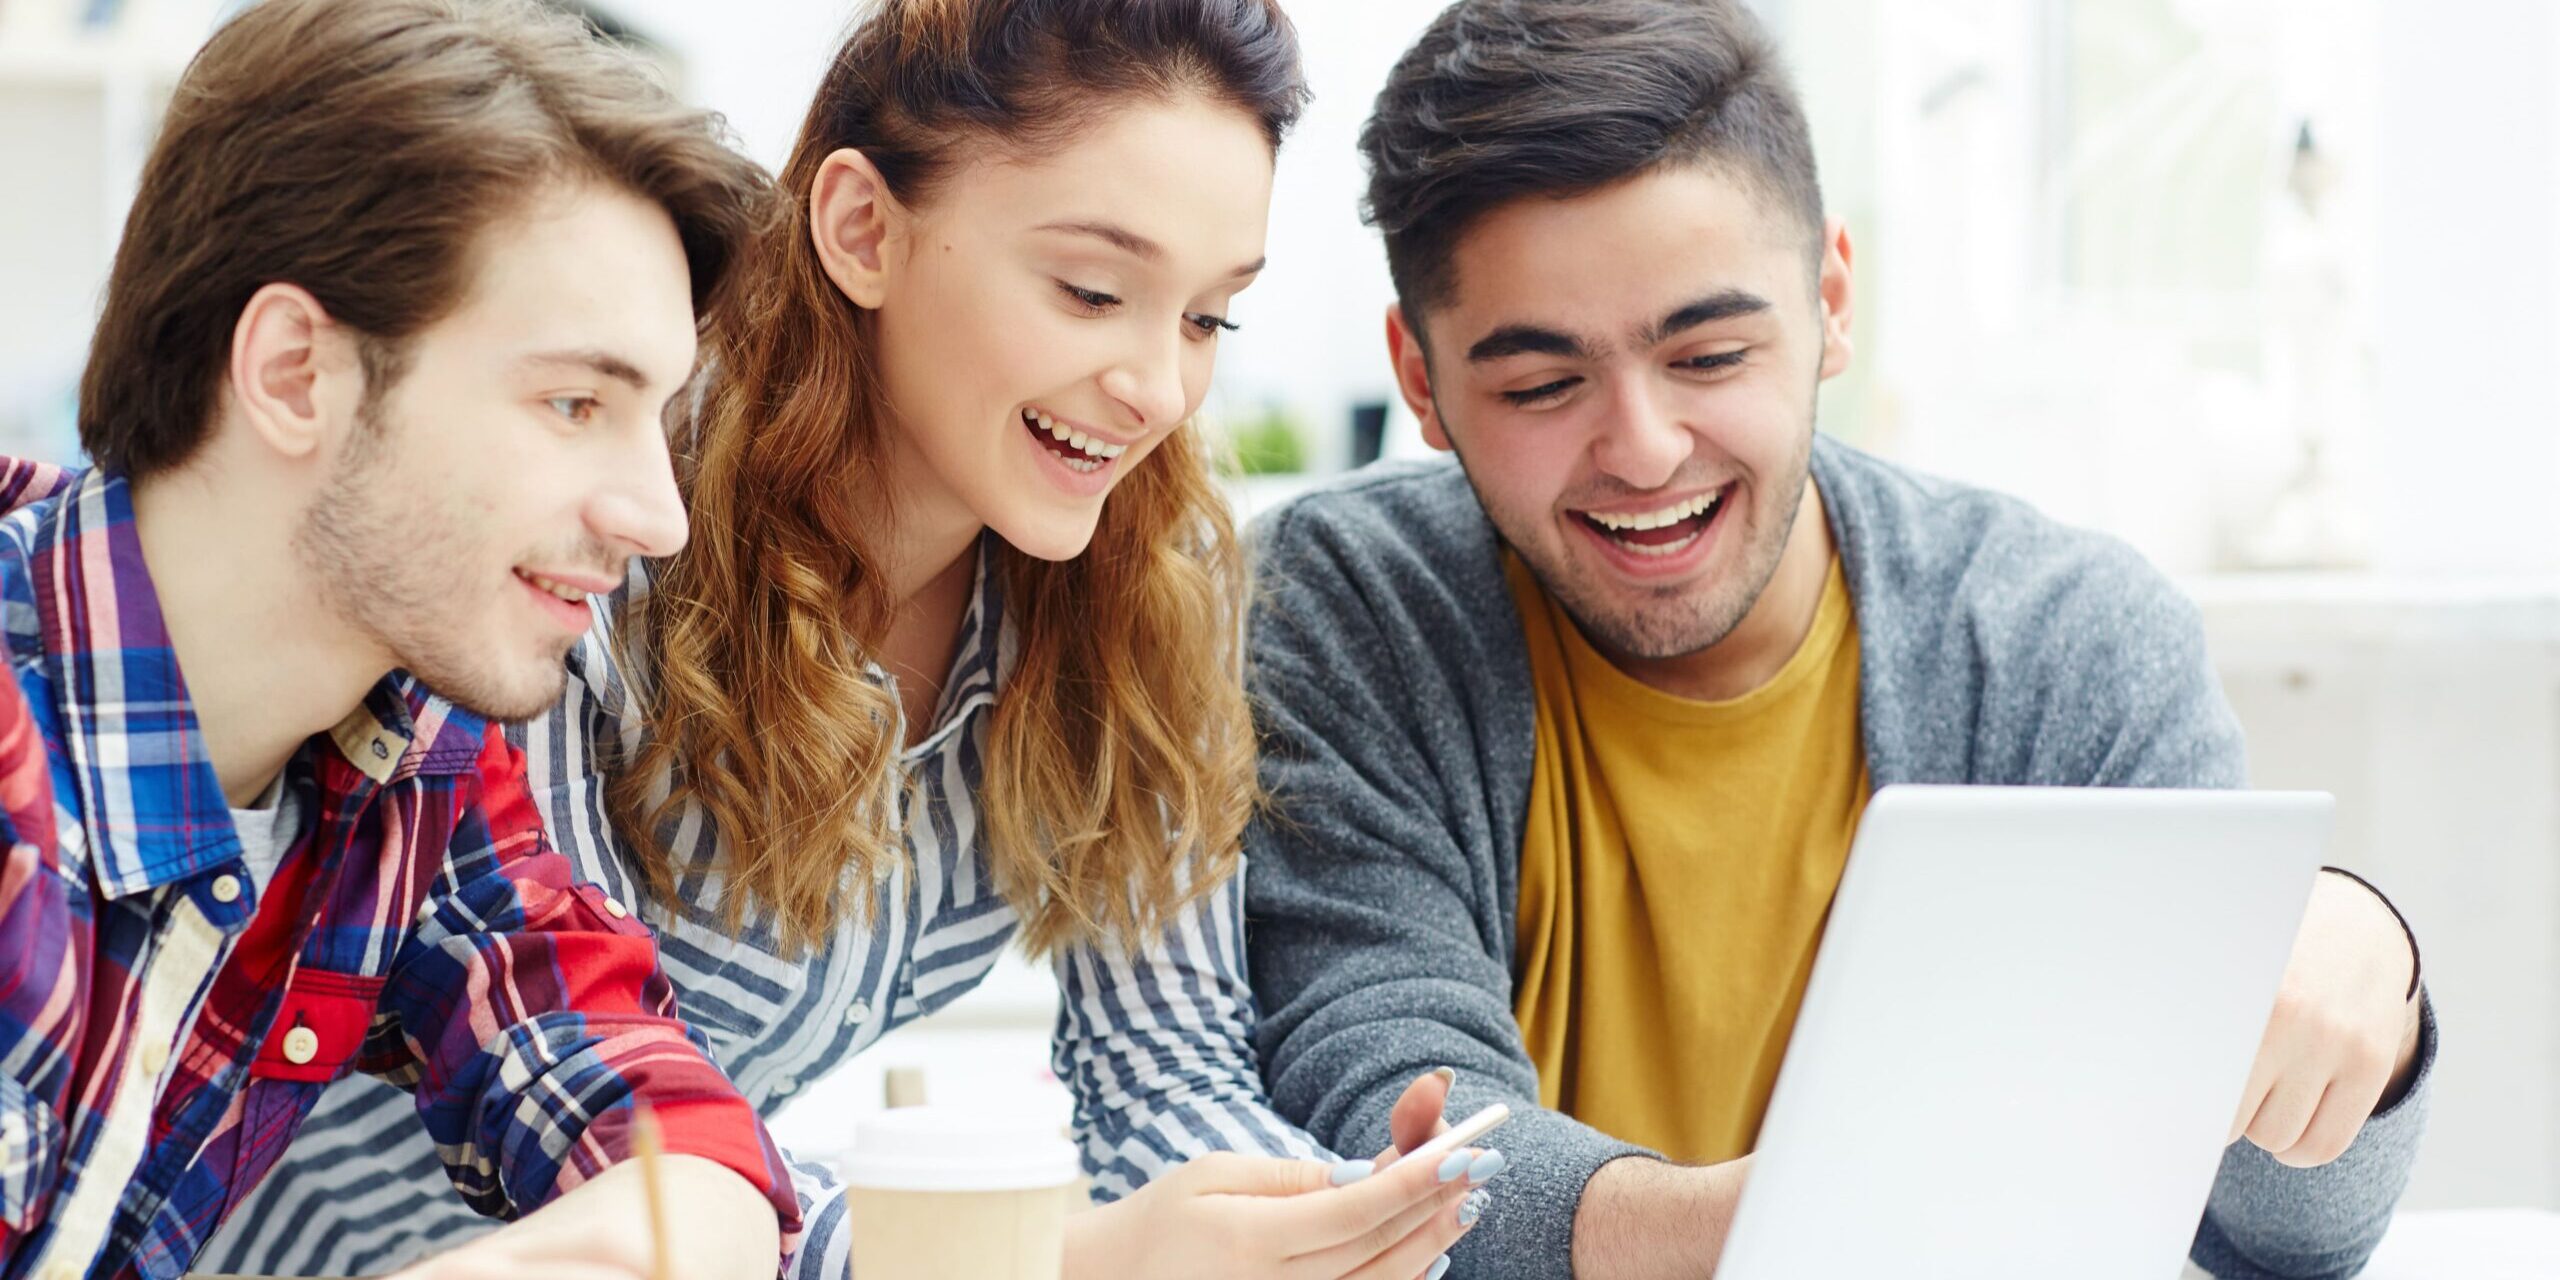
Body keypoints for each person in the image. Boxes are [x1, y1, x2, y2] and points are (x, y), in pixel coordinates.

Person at [209, 3, 1491, 1279]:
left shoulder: (1145, 581)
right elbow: (587, 1111)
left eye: (1210, 318)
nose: (1158, 386)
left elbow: (1164, 1067)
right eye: (1092, 291)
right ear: (862, 228)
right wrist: (1052, 1257)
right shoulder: (602, 530)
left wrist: (1317, 1215)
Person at [1240, 1, 2435, 1277]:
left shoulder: (2062, 636)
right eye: (1541, 384)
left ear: (1830, 302)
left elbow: (2279, 1236)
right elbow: (1384, 1128)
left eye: (1707, 353)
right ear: (1420, 381)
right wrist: (1815, 1217)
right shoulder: (1348, 608)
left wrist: (2369, 976)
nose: (1642, 448)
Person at [0, 1, 802, 1277]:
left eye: (656, 417)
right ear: (294, 373)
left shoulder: (403, 759)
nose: (657, 518)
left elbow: (663, 1131)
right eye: (573, 400)